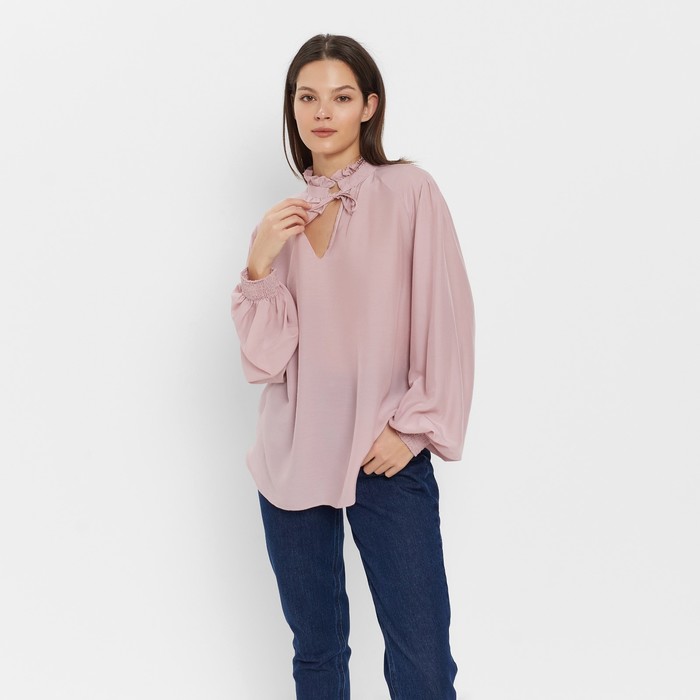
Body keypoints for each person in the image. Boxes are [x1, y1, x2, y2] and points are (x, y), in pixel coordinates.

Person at [230, 33, 476, 700]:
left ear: (369, 106)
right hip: (293, 454)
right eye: (307, 97)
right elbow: (266, 359)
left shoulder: (410, 193)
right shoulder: (281, 223)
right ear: (292, 107)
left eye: (340, 97)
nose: (322, 112)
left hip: (383, 453)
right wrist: (258, 262)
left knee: (423, 663)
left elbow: (447, 319)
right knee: (316, 655)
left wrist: (414, 428)